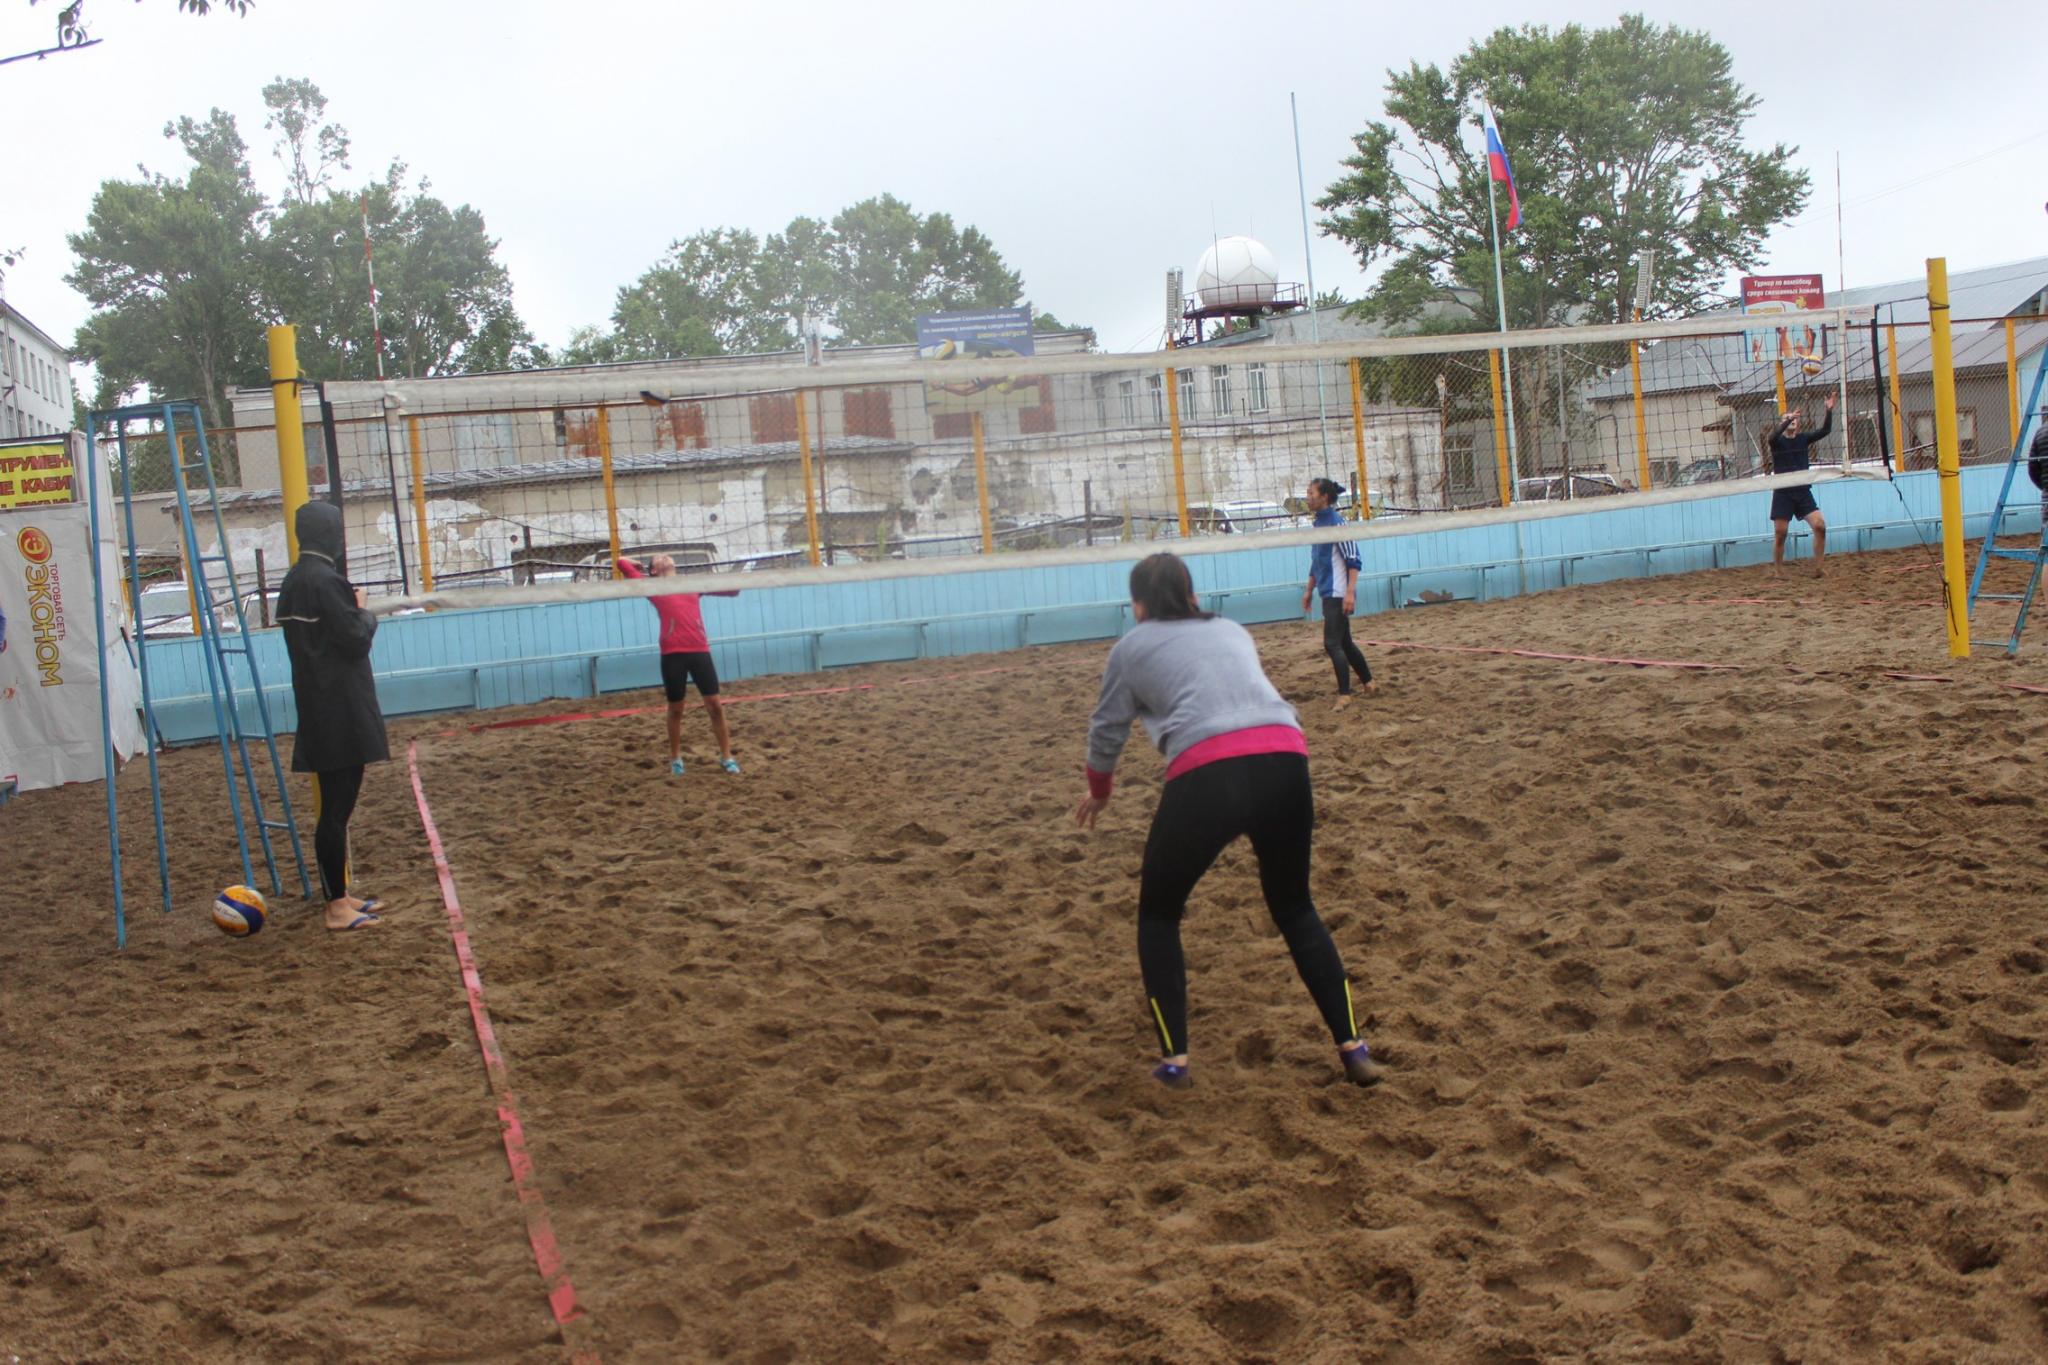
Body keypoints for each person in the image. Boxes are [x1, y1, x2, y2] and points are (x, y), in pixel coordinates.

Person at [1077, 552, 1385, 1091]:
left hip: (1209, 772)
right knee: (1295, 906)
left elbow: (1107, 731)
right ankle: (1353, 1048)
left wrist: (1099, 793)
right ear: (1192, 595)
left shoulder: (1130, 648)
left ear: (1138, 605)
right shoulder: (1230, 629)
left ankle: (1175, 1063)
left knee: (1158, 913)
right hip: (1286, 756)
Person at [276, 501, 387, 932]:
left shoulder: (294, 580)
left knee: (337, 807)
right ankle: (336, 906)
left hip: (317, 704)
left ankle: (340, 895)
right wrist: (364, 609)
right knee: (337, 811)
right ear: (329, 535)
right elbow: (356, 639)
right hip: (340, 708)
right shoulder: (326, 582)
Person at [616, 553, 740, 775]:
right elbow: (621, 564)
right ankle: (675, 759)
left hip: (699, 650)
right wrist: (633, 561)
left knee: (715, 705)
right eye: (659, 558)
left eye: (667, 555)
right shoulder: (652, 588)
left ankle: (727, 757)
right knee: (676, 708)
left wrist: (737, 582)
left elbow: (733, 590)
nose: (666, 557)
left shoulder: (691, 584)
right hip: (672, 654)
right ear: (653, 571)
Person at [1300, 477, 1374, 706]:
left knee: (1332, 644)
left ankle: (1345, 694)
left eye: (1311, 493)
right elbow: (1317, 561)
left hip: (1338, 592)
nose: (1307, 497)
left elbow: (1354, 560)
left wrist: (1350, 592)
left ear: (1324, 497)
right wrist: (1309, 589)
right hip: (1326, 591)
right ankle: (1369, 683)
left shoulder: (1336, 524)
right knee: (1345, 643)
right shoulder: (1318, 525)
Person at [1763, 391, 1837, 577]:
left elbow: (1825, 431)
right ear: (1782, 423)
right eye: (1787, 418)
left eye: (1794, 418)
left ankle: (1819, 568)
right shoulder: (1777, 442)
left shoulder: (1803, 439)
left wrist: (1828, 411)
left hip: (1802, 490)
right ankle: (1779, 570)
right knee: (1781, 532)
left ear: (1799, 423)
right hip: (1783, 492)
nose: (1792, 420)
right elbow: (1771, 437)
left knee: (1820, 525)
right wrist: (1787, 420)